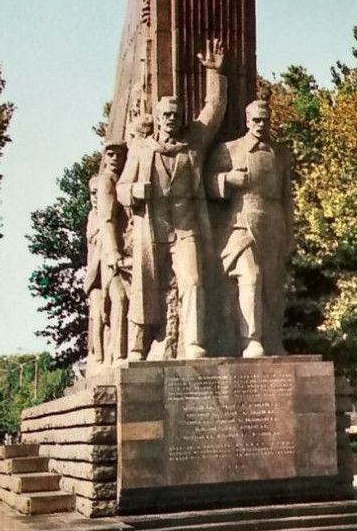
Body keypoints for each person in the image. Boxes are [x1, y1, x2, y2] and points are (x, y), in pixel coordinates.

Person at [117, 38, 227, 359]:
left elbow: (214, 111)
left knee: (193, 281)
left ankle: (193, 342)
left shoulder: (193, 143)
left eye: (176, 114)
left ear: (181, 118)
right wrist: (136, 192)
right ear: (158, 117)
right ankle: (137, 346)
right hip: (151, 230)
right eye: (165, 114)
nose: (170, 119)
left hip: (185, 229)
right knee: (144, 288)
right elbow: (122, 188)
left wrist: (214, 73)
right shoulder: (141, 149)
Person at [206, 98, 294, 357]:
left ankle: (273, 340)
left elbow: (286, 197)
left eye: (265, 120)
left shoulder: (281, 154)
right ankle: (250, 339)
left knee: (273, 288)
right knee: (251, 276)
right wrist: (227, 179)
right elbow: (204, 185)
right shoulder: (229, 150)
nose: (261, 124)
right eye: (256, 119)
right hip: (240, 224)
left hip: (273, 224)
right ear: (247, 120)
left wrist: (290, 234)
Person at [96, 140, 130, 366]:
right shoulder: (106, 181)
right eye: (111, 154)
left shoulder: (123, 178)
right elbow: (106, 220)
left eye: (119, 154)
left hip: (128, 250)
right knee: (119, 298)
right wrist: (113, 253)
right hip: (114, 255)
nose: (115, 158)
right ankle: (117, 354)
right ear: (105, 157)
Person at [82, 175, 105, 374]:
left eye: (99, 192)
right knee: (97, 315)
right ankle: (97, 357)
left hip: (110, 272)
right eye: (93, 193)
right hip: (96, 276)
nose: (96, 197)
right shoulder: (93, 217)